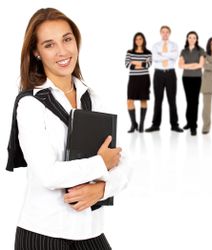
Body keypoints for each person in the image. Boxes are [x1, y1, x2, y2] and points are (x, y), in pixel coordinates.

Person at [7, 8, 127, 249]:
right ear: (36, 52)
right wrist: (100, 164)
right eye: (49, 45)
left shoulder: (92, 98)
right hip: (43, 235)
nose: (62, 51)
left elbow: (124, 162)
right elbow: (48, 174)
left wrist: (103, 189)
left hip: (91, 232)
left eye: (67, 39)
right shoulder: (30, 105)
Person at [145, 26, 183, 133]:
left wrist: (162, 54)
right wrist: (168, 55)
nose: (165, 34)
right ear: (160, 33)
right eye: (163, 32)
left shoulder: (174, 45)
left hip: (170, 73)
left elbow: (175, 57)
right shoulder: (155, 46)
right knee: (158, 100)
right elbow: (155, 58)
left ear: (169, 33)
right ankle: (155, 125)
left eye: (167, 32)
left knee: (172, 100)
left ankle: (175, 125)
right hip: (159, 74)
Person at [179, 31, 205, 136]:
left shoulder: (201, 50)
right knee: (189, 101)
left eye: (194, 37)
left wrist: (188, 65)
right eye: (190, 37)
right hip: (186, 78)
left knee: (195, 101)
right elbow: (180, 66)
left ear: (197, 39)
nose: (192, 39)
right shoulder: (183, 51)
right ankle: (189, 122)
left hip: (196, 78)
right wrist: (194, 64)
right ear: (187, 38)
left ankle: (193, 126)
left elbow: (201, 65)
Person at [125, 32, 152, 133]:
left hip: (144, 79)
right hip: (133, 79)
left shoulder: (148, 52)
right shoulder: (129, 52)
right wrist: (141, 63)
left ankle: (141, 124)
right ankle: (133, 124)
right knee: (129, 101)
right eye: (136, 39)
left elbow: (148, 65)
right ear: (134, 41)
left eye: (140, 39)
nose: (138, 41)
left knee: (143, 100)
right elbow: (127, 64)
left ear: (143, 40)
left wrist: (135, 63)